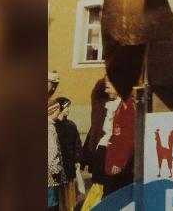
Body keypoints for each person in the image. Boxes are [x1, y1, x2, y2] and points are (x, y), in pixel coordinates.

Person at [80, 78, 119, 211]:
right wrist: (110, 73)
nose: (108, 91)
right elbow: (99, 88)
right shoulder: (98, 102)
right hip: (100, 146)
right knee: (99, 184)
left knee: (102, 185)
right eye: (106, 88)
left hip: (104, 147)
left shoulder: (114, 104)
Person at [103, 95, 136, 197]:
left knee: (114, 196)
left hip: (119, 163)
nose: (106, 91)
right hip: (114, 158)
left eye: (109, 87)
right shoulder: (122, 103)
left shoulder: (128, 104)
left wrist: (119, 161)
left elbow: (129, 137)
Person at [55, 98, 82, 211]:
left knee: (70, 192)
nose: (69, 109)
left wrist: (77, 160)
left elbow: (77, 144)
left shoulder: (71, 125)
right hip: (58, 165)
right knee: (59, 193)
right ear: (60, 108)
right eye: (67, 107)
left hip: (69, 165)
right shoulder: (53, 126)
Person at [47, 99, 64, 211]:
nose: (59, 112)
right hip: (50, 176)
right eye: (58, 110)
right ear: (53, 111)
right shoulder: (50, 128)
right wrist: (56, 170)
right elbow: (52, 152)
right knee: (51, 203)